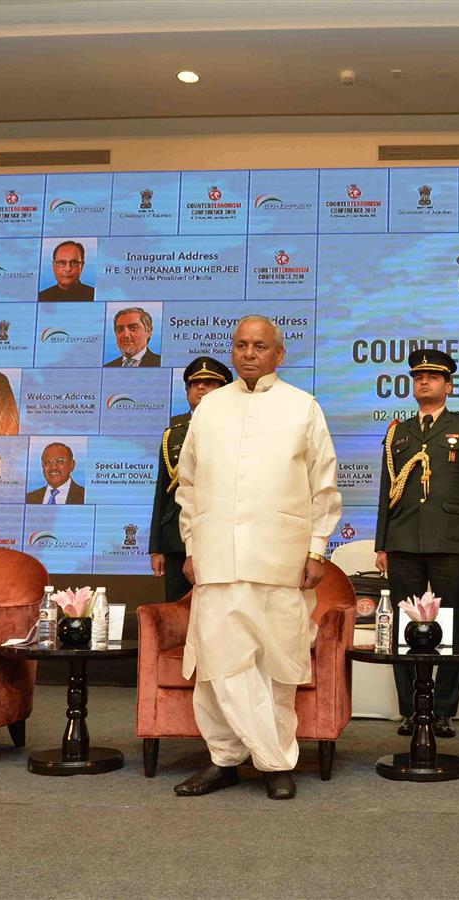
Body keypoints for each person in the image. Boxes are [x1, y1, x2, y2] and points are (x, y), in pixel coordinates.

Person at [173, 316, 340, 800]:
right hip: (217, 556)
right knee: (219, 664)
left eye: (260, 346)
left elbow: (323, 486)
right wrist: (190, 544)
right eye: (241, 345)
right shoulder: (210, 409)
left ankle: (273, 757)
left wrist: (316, 549)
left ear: (278, 354)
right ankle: (234, 760)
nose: (249, 353)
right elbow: (189, 485)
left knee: (278, 665)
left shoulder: (302, 407)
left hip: (280, 557)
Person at [374, 349, 459, 739]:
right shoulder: (399, 433)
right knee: (404, 631)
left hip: (451, 540)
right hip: (404, 540)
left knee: (452, 628)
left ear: (448, 385)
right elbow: (385, 493)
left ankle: (443, 710)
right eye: (418, 377)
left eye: (433, 377)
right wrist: (382, 543)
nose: (424, 382)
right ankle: (411, 709)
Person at [150, 356, 232, 602]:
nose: (201, 388)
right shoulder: (172, 436)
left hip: (224, 536)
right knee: (178, 612)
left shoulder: (240, 432)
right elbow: (162, 494)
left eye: (210, 383)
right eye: (194, 384)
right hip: (177, 541)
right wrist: (156, 548)